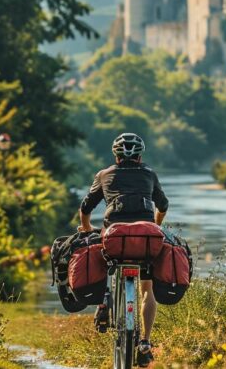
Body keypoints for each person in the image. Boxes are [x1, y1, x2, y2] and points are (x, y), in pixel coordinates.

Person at [78, 133, 169, 367]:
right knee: (147, 289)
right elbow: (163, 205)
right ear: (140, 156)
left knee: (99, 254)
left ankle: (102, 302)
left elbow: (85, 207)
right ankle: (146, 342)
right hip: (146, 239)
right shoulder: (149, 174)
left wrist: (87, 229)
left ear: (115, 156)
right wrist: (155, 228)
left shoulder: (104, 175)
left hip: (114, 237)